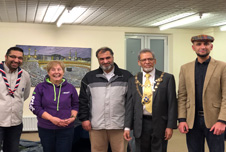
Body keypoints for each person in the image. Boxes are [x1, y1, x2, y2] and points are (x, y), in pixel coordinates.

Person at [78, 47, 133, 152]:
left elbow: (131, 102)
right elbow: (83, 100)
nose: (105, 61)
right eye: (101, 59)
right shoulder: (89, 77)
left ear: (113, 57)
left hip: (119, 125)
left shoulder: (126, 76)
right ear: (98, 60)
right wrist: (84, 119)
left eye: (108, 58)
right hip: (96, 125)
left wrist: (128, 124)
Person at [178, 34, 226, 152]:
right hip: (192, 121)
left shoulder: (222, 67)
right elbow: (182, 96)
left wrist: (222, 121)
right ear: (193, 47)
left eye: (206, 44)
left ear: (211, 47)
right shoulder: (185, 68)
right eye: (198, 44)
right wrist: (182, 119)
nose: (202, 47)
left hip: (215, 121)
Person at [124, 48, 177, 152]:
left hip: (160, 123)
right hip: (140, 123)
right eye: (144, 60)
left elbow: (172, 104)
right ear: (139, 62)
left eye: (150, 59)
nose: (147, 62)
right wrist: (127, 127)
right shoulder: (133, 80)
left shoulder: (167, 78)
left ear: (155, 61)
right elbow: (129, 105)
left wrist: (170, 126)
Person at [29, 61, 79, 152]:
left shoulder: (70, 88)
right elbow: (34, 106)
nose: (56, 72)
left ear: (63, 72)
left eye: (59, 69)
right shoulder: (40, 87)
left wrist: (72, 118)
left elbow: (76, 105)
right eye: (53, 70)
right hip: (46, 129)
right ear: (48, 72)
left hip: (66, 129)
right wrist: (52, 119)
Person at [0, 47, 31, 152]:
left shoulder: (25, 75)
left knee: (12, 150)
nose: (16, 60)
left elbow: (25, 95)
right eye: (13, 56)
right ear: (6, 57)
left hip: (15, 123)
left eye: (20, 58)